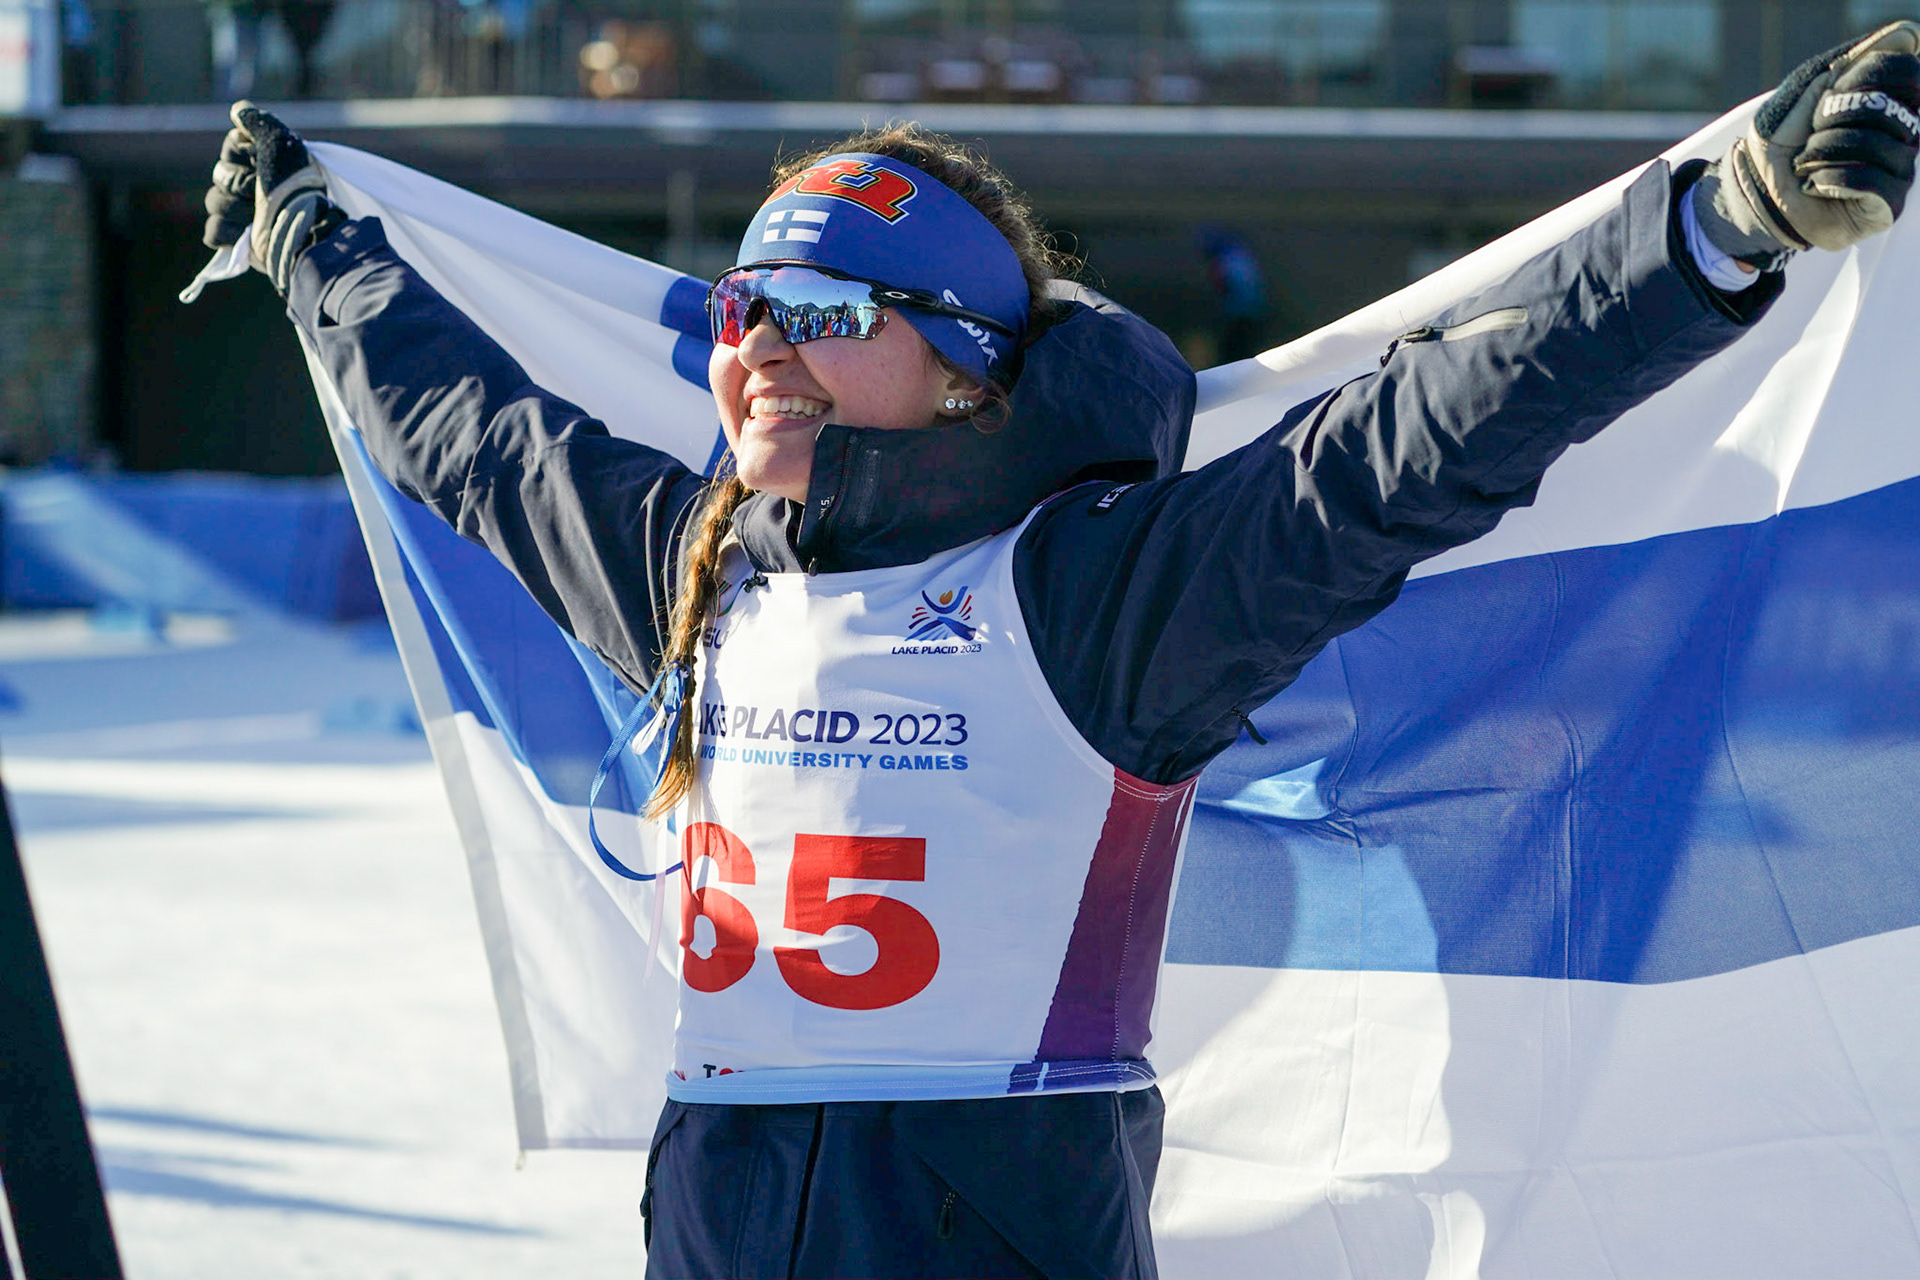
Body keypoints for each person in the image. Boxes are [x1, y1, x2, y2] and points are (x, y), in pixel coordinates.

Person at [200, 22, 1920, 1279]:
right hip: (718, 1224)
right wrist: (317, 242)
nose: (756, 357)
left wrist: (1710, 229)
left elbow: (1405, 445)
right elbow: (471, 434)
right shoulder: (694, 564)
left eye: (818, 316)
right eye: (741, 313)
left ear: (961, 362)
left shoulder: (1101, 593)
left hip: (996, 1228)